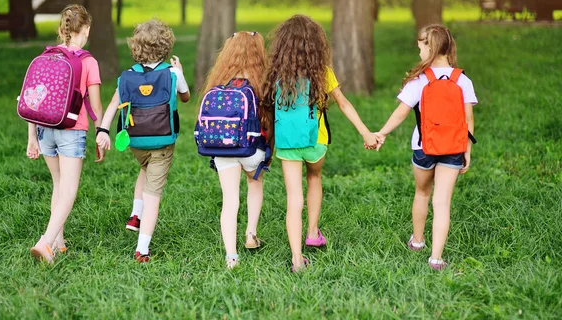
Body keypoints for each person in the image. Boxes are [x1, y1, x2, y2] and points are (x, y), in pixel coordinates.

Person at [261, 15, 378, 272]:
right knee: (314, 179)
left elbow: (268, 113)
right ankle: (313, 232)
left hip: (288, 143)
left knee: (294, 198)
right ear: (315, 45)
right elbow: (344, 103)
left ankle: (296, 259)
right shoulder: (322, 72)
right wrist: (366, 133)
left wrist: (267, 145)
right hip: (317, 141)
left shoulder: (276, 74)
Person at [374, 24, 477, 270]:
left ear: (430, 47)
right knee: (442, 203)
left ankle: (418, 241)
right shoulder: (462, 80)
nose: (418, 50)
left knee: (422, 193)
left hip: (423, 148)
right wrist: (467, 150)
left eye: (420, 46)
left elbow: (400, 114)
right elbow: (469, 119)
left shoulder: (420, 81)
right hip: (453, 148)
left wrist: (382, 133)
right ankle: (436, 258)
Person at [96, 19, 190, 263]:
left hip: (136, 141)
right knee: (154, 194)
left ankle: (135, 215)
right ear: (166, 45)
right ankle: (142, 249)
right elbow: (186, 97)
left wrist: (103, 130)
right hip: (162, 141)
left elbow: (113, 106)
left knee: (144, 169)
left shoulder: (127, 77)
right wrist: (179, 71)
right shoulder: (172, 73)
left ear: (136, 47)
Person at [27, 4, 104, 263]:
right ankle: (46, 242)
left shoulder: (48, 56)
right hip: (72, 130)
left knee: (58, 185)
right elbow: (95, 104)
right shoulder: (88, 61)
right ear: (87, 30)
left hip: (44, 128)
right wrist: (100, 132)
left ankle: (59, 242)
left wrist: (31, 137)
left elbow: (33, 98)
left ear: (62, 30)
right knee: (69, 189)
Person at [197, 31, 271, 269]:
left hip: (222, 147)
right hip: (251, 149)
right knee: (254, 183)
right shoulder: (261, 78)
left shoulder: (220, 78)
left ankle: (231, 256)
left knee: (229, 200)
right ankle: (251, 234)